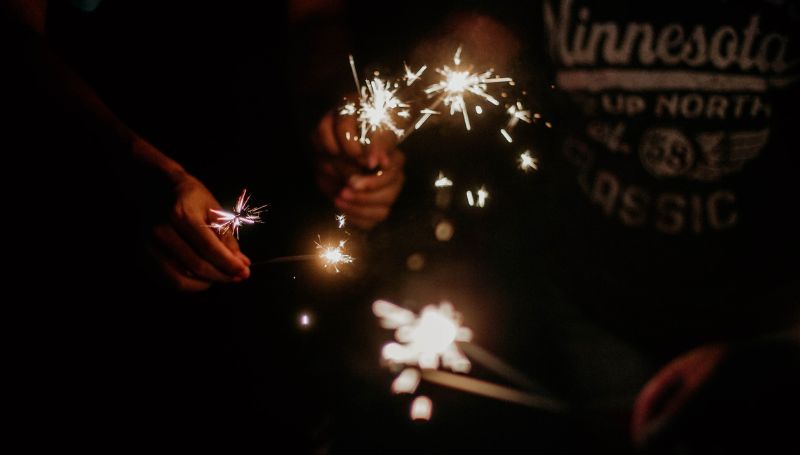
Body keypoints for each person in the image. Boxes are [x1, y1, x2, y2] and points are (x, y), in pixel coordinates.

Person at [311, 0, 800, 451]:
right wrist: (388, 114)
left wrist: (763, 358)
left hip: (767, 314)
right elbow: (483, 34)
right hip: (594, 297)